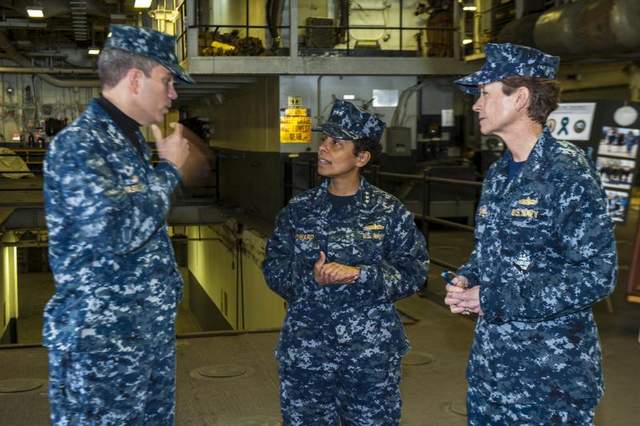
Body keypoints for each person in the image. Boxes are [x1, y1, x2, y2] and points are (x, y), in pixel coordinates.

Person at [444, 43, 617, 425]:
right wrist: (467, 278)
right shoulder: (499, 173)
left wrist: (493, 298)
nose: (476, 105)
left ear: (520, 97)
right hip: (492, 371)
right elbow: (490, 251)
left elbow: (597, 274)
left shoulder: (566, 172)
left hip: (549, 380)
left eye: (485, 93)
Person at [43, 24, 193, 425]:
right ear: (135, 79)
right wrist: (169, 171)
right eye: (167, 81)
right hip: (100, 348)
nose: (173, 94)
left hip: (142, 337)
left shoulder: (129, 143)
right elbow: (118, 231)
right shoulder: (80, 146)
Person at [263, 100, 429, 425]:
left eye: (336, 143)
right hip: (308, 352)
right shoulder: (299, 209)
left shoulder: (389, 211)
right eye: (324, 139)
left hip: (369, 356)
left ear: (361, 158)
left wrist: (359, 274)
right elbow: (273, 267)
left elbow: (414, 272)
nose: (323, 148)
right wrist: (310, 278)